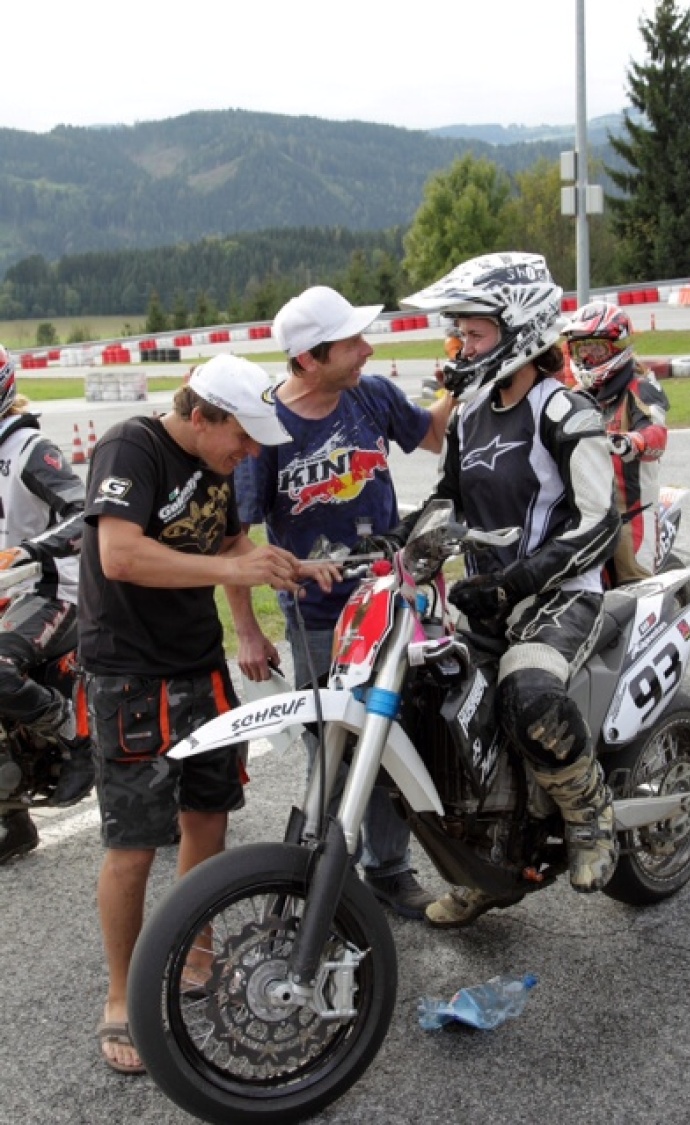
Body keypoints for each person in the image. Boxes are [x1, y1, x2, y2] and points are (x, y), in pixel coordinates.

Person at [77, 354, 340, 1075]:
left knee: (208, 815)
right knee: (132, 843)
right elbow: (122, 554)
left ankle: (194, 953)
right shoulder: (130, 447)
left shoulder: (217, 465)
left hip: (198, 663)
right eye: (242, 438)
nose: (249, 453)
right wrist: (234, 570)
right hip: (130, 673)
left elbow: (227, 542)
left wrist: (280, 562)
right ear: (200, 417)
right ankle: (122, 994)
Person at [384, 252, 621, 927]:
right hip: (486, 597)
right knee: (442, 710)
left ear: (519, 329)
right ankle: (483, 868)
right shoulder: (466, 416)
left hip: (561, 595)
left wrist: (518, 579)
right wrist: (402, 541)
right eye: (456, 333)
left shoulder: (564, 412)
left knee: (525, 693)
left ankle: (589, 811)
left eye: (473, 333)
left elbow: (599, 520)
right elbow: (447, 500)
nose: (458, 346)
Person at [232, 285, 456, 919]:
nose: (367, 349)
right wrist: (247, 631)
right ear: (307, 359)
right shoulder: (268, 429)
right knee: (332, 747)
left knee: (400, 736)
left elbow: (433, 436)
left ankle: (390, 869)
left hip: (395, 604)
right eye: (352, 343)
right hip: (320, 624)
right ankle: (328, 880)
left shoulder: (371, 394)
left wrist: (464, 380)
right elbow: (237, 540)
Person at [0, 343, 94, 865]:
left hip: (50, 590)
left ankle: (75, 733)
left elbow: (84, 512)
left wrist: (31, 550)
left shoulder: (30, 448)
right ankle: (12, 817)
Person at [561, 301, 669, 583]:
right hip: (585, 506)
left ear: (617, 347)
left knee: (635, 581)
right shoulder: (575, 396)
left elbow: (656, 433)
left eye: (596, 349)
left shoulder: (641, 386)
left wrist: (630, 441)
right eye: (580, 349)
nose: (587, 357)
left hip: (630, 508)